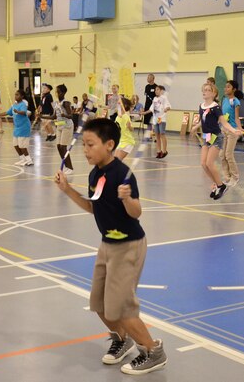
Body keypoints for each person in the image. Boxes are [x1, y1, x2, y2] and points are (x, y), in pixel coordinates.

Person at [54, 118, 168, 375]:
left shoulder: (122, 174)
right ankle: (123, 339)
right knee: (99, 303)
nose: (85, 150)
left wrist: (127, 199)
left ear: (109, 145)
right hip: (107, 244)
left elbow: (136, 213)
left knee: (122, 307)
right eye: (84, 145)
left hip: (129, 245)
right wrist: (67, 189)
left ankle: (153, 351)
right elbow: (93, 207)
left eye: (90, 144)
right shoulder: (95, 174)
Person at [192, 83, 243, 200]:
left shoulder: (216, 107)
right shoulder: (201, 106)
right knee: (203, 164)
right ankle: (216, 184)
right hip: (206, 137)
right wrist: (195, 127)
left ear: (214, 93)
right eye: (203, 90)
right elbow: (203, 121)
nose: (204, 92)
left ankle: (221, 186)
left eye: (207, 90)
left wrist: (234, 130)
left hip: (216, 137)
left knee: (210, 163)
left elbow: (223, 122)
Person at [221, 80, 244, 187]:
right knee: (222, 155)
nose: (226, 89)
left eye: (228, 87)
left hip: (232, 130)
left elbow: (236, 118)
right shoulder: (224, 100)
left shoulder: (236, 102)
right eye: (225, 86)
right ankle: (227, 177)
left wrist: (240, 129)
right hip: (224, 129)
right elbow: (222, 116)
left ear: (234, 89)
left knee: (228, 155)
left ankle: (235, 177)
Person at [6, 89, 33, 166]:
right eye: (15, 94)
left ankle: (29, 160)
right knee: (15, 144)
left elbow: (24, 112)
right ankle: (22, 159)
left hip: (24, 127)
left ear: (22, 96)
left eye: (17, 95)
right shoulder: (14, 105)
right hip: (17, 128)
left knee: (22, 146)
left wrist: (18, 112)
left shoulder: (23, 104)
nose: (15, 96)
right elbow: (8, 112)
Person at [53, 84, 75, 175]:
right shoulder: (56, 103)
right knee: (58, 147)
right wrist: (41, 116)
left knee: (63, 147)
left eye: (58, 92)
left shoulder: (66, 103)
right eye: (56, 91)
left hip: (67, 126)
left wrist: (65, 115)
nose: (57, 93)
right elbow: (53, 116)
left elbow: (71, 116)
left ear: (63, 93)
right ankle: (65, 165)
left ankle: (70, 168)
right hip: (59, 125)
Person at [151, 86, 171, 158]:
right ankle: (159, 151)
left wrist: (166, 108)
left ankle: (164, 151)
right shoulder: (154, 99)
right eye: (155, 90)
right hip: (156, 119)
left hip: (162, 119)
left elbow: (169, 106)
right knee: (157, 135)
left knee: (162, 134)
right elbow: (152, 108)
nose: (156, 91)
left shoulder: (164, 98)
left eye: (157, 89)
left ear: (161, 90)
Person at [143, 74, 157, 141]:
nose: (147, 79)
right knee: (148, 121)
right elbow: (146, 95)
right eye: (147, 77)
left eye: (149, 77)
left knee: (153, 122)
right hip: (147, 106)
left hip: (154, 106)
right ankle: (149, 135)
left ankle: (155, 135)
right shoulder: (147, 86)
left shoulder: (156, 87)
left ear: (153, 78)